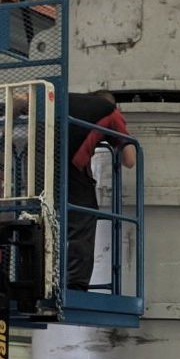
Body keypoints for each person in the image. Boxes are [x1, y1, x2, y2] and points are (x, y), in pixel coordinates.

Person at [66, 90, 135, 291]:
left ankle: (39, 276)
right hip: (67, 163)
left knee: (43, 217)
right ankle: (75, 284)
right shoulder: (110, 111)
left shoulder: (63, 96)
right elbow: (130, 160)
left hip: (34, 157)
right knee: (84, 215)